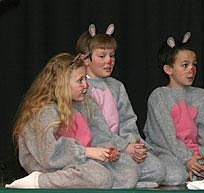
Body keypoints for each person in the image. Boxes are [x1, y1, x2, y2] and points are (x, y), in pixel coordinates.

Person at [6, 53, 122, 188]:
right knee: (101, 176)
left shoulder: (83, 104)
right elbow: (48, 155)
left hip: (76, 163)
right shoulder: (45, 111)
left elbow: (98, 135)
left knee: (126, 170)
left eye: (85, 79)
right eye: (80, 80)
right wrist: (86, 152)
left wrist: (106, 151)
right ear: (61, 84)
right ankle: (38, 181)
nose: (86, 85)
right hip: (49, 167)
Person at [75, 24, 165, 188]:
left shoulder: (117, 86)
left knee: (158, 170)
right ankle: (125, 180)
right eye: (102, 56)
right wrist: (124, 147)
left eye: (112, 56)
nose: (109, 61)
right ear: (85, 59)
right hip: (100, 150)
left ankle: (126, 181)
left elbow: (128, 120)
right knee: (128, 171)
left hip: (123, 148)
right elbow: (95, 130)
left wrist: (134, 144)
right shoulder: (82, 88)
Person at [143, 32, 204, 185]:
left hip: (196, 155)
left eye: (194, 65)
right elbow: (167, 138)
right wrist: (187, 159)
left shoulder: (200, 95)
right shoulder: (159, 96)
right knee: (176, 175)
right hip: (168, 153)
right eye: (185, 65)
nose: (191, 69)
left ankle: (197, 172)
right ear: (168, 69)